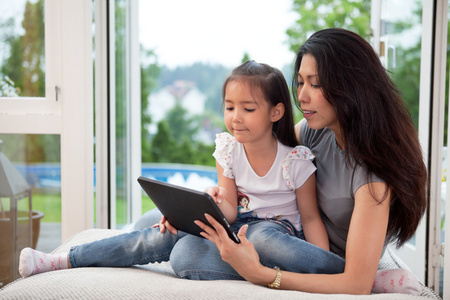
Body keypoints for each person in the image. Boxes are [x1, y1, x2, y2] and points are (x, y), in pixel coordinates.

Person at [170, 28, 427, 295]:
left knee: (187, 255)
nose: (302, 96)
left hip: (317, 255)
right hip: (286, 231)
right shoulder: (315, 130)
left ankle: (371, 278)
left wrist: (261, 274)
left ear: (352, 86)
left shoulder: (373, 176)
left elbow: (355, 285)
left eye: (315, 84)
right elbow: (264, 151)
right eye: (301, 82)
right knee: (157, 222)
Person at [18, 60, 330, 278]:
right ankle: (63, 260)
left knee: (264, 239)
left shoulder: (295, 161)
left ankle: (345, 273)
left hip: (273, 231)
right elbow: (231, 212)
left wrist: (323, 263)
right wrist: (197, 208)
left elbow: (311, 219)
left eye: (248, 109)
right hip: (233, 228)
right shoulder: (228, 150)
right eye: (229, 107)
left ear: (276, 112)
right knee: (157, 235)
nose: (236, 117)